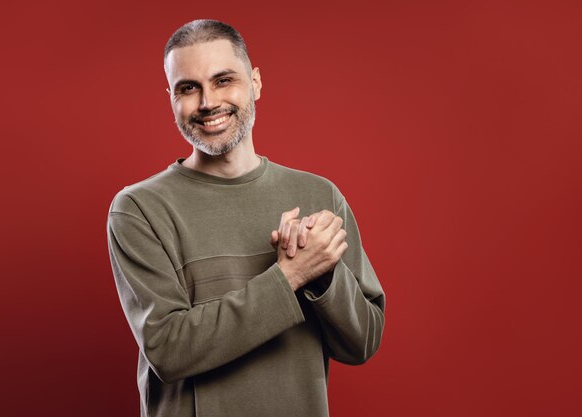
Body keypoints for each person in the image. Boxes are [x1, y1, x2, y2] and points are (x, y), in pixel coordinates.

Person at [106, 19, 386, 417]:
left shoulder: (320, 196)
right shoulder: (139, 209)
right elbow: (168, 350)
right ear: (171, 97)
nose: (207, 102)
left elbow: (362, 343)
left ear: (255, 82)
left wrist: (323, 275)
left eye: (223, 80)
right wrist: (289, 277)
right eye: (189, 88)